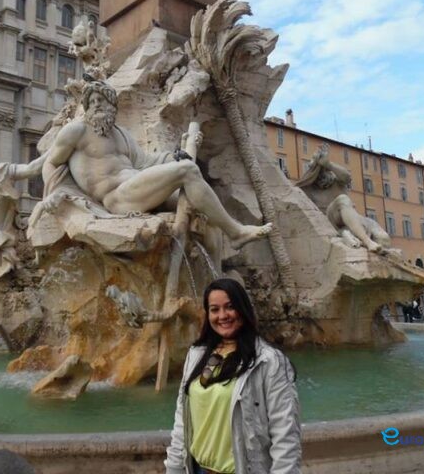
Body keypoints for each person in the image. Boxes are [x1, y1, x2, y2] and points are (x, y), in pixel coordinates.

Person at [36, 80, 272, 249]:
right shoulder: (77, 131)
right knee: (188, 171)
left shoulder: (122, 134)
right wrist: (60, 195)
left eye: (102, 100)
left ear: (112, 105)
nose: (96, 104)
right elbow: (51, 163)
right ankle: (236, 232)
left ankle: (216, 279)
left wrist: (175, 155)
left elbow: (146, 163)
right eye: (92, 101)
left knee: (202, 209)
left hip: (136, 187)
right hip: (116, 198)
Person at [165, 278, 301, 474]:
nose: (222, 316)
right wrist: (174, 469)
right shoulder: (197, 355)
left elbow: (285, 435)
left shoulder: (269, 361)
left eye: (230, 307)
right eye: (214, 309)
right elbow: (182, 423)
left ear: (243, 309)